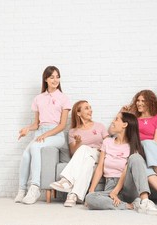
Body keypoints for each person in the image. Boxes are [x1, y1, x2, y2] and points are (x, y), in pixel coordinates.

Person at [15, 66, 71, 205]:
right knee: (26, 155)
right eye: (52, 77)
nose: (55, 80)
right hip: (40, 133)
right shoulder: (38, 98)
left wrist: (45, 135)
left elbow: (62, 125)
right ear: (45, 79)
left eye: (57, 76)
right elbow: (36, 124)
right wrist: (27, 129)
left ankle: (35, 187)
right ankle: (22, 190)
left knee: (34, 148)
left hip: (56, 135)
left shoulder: (63, 98)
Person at [85, 112, 157, 215]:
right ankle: (130, 205)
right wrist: (91, 190)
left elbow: (126, 171)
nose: (113, 121)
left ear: (125, 125)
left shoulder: (133, 145)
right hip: (110, 186)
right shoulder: (107, 142)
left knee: (136, 157)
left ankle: (145, 200)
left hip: (127, 185)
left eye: (116, 119)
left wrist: (115, 191)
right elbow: (100, 168)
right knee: (90, 198)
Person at [49, 100, 108, 207]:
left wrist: (102, 150)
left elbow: (109, 143)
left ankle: (66, 180)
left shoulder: (100, 126)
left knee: (85, 149)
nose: (90, 110)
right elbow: (73, 153)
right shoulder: (73, 131)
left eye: (90, 107)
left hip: (100, 154)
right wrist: (78, 143)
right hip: (88, 157)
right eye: (86, 108)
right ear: (78, 113)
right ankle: (74, 195)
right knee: (87, 162)